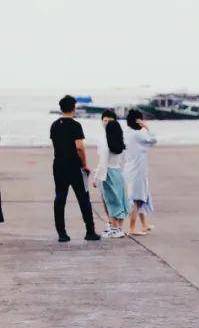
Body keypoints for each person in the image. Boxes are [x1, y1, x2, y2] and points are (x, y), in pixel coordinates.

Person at [50, 95, 100, 242]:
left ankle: (62, 234)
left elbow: (57, 144)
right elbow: (79, 147)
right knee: (83, 198)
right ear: (73, 108)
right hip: (73, 165)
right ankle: (90, 232)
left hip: (58, 164)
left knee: (60, 198)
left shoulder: (54, 125)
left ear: (61, 108)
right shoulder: (75, 125)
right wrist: (84, 165)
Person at [93, 110, 130, 238]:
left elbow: (103, 163)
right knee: (120, 200)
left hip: (108, 173)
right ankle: (118, 228)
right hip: (118, 173)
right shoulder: (120, 141)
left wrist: (96, 177)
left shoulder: (106, 143)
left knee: (111, 201)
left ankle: (114, 229)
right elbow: (124, 160)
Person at [123, 110, 156, 236]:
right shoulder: (137, 135)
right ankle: (132, 228)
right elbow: (153, 140)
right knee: (138, 199)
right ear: (138, 121)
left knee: (142, 197)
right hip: (138, 171)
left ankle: (144, 224)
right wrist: (146, 127)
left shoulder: (127, 133)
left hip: (130, 169)